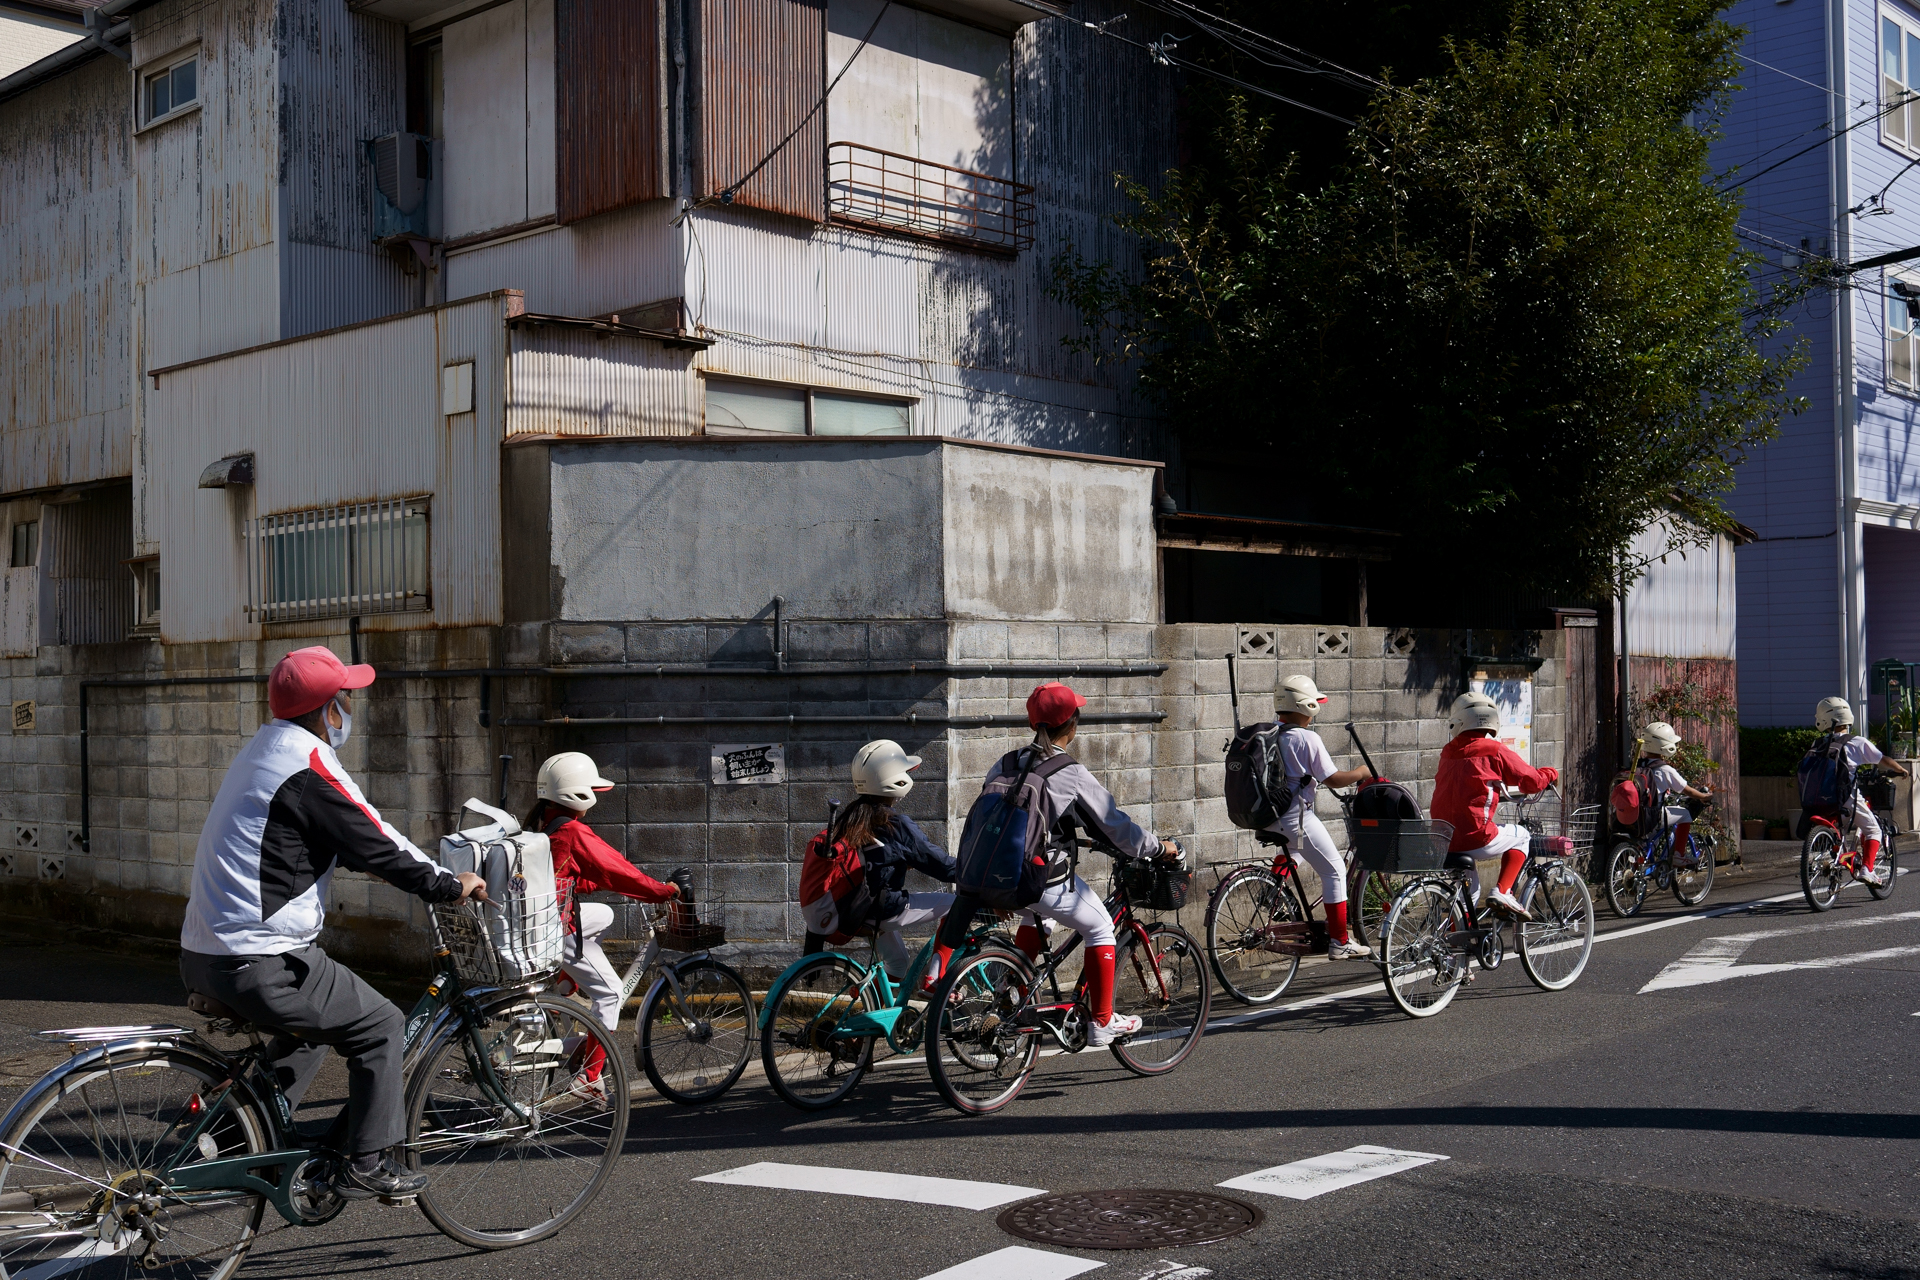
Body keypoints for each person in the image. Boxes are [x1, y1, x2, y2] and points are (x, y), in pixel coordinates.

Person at [179, 646, 489, 1201]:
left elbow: (299, 839)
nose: (351, 709)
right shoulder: (309, 764)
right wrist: (449, 884)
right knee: (381, 1025)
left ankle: (231, 1139)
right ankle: (367, 1163)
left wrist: (356, 855)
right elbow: (377, 838)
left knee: (312, 1033)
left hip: (208, 952)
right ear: (328, 709)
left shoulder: (262, 751)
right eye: (347, 698)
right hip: (263, 957)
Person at [935, 682, 1183, 1048]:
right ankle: (1102, 1022)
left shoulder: (1005, 762)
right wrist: (1159, 848)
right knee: (1101, 927)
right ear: (1072, 724)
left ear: (1033, 723)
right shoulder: (1069, 772)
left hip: (997, 875)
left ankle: (1011, 993)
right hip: (1039, 878)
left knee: (1041, 918)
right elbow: (1115, 827)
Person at [809, 739, 957, 982]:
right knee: (955, 904)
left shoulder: (851, 816)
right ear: (895, 780)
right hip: (882, 908)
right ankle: (934, 979)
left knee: (898, 964)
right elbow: (940, 865)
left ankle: (868, 1000)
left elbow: (872, 857)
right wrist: (974, 875)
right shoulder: (894, 823)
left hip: (854, 908)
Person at [1262, 674, 1377, 961]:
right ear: (1307, 706)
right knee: (1335, 870)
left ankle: (1271, 893)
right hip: (1296, 817)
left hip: (1267, 815)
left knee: (1293, 853)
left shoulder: (1269, 734)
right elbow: (1333, 779)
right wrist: (1361, 772)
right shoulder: (1306, 738)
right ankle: (1340, 941)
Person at [1429, 691, 1559, 920]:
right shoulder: (1494, 750)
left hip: (1442, 838)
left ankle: (1454, 939)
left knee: (1468, 895)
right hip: (1476, 837)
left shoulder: (1448, 752)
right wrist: (1550, 774)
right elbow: (1531, 782)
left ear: (1457, 721)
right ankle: (1503, 891)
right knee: (1522, 836)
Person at [1808, 697, 1908, 887]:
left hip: (1817, 800)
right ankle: (1867, 870)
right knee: (1873, 830)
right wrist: (1901, 769)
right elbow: (1882, 759)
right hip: (1846, 799)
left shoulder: (1817, 743)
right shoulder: (1856, 742)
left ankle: (1835, 856)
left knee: (1840, 829)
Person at [1637, 722, 1714, 867]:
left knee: (1648, 841)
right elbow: (1687, 790)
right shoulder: (1665, 769)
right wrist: (1704, 797)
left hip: (1634, 813)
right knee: (1685, 814)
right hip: (1652, 814)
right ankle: (1679, 855)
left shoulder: (1637, 765)